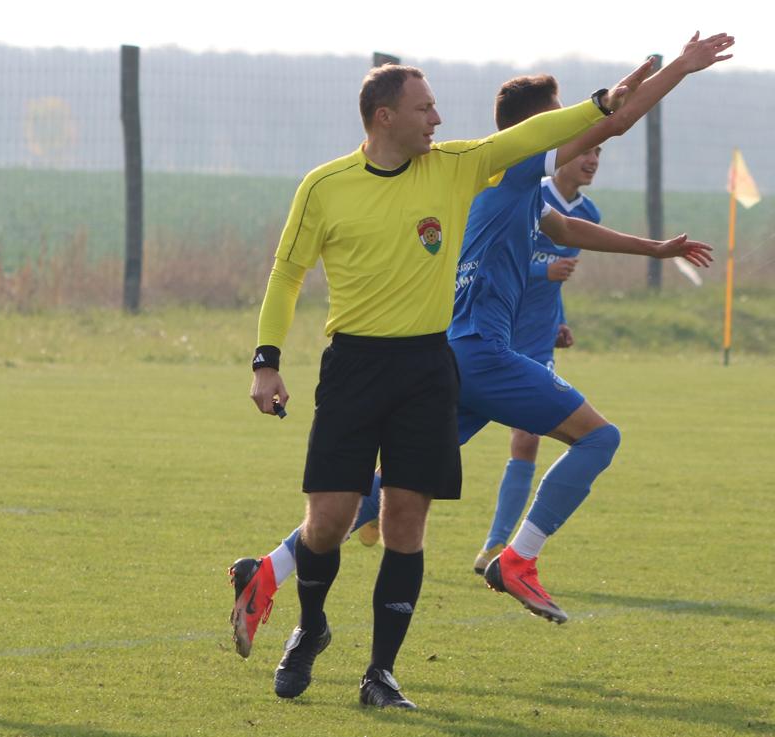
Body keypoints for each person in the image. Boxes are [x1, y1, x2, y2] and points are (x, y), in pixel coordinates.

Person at [244, 58, 653, 709]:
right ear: (385, 117)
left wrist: (603, 104)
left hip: (430, 367)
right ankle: (314, 623)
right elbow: (288, 274)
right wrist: (266, 360)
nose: (437, 117)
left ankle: (377, 669)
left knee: (403, 519)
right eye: (424, 107)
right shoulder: (328, 185)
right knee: (332, 518)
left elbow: (536, 147)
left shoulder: (460, 168)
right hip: (364, 365)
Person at [452, 33, 731, 625]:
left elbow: (566, 229)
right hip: (485, 350)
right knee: (600, 438)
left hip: (458, 350)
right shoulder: (517, 164)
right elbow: (617, 121)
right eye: (556, 117)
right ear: (534, 127)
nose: (570, 128)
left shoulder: (502, 180)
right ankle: (516, 559)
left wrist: (654, 249)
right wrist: (682, 67)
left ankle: (273, 566)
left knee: (403, 475)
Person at [472, 146, 601, 575]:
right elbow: (495, 261)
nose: (592, 160)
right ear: (561, 155)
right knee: (437, 438)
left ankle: (496, 543)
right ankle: (371, 502)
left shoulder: (589, 214)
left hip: (537, 338)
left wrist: (558, 321)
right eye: (585, 151)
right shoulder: (528, 194)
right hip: (494, 331)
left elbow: (556, 281)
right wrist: (541, 272)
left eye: (598, 152)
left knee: (528, 436)